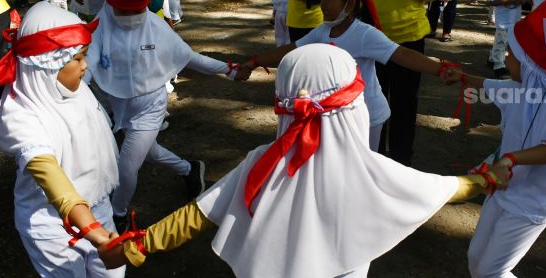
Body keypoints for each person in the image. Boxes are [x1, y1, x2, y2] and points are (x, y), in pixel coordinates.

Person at [97, 43, 506, 277]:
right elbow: (439, 188)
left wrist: (136, 246)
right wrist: (487, 180)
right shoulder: (368, 172)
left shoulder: (261, 163)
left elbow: (196, 216)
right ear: (352, 107)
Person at [83, 0, 245, 232]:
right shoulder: (100, 26)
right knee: (149, 152)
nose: (132, 18)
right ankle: (189, 169)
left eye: (137, 10)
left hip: (150, 106)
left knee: (126, 167)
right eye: (124, 11)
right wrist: (72, 89)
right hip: (119, 106)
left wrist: (230, 70)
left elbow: (191, 57)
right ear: (109, 3)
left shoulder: (156, 26)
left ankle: (118, 213)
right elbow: (87, 63)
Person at [240, 0, 456, 152]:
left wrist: (440, 69)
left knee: (363, 173)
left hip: (367, 117)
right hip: (339, 115)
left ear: (350, 5)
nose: (322, 4)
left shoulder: (364, 34)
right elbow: (292, 49)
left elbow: (402, 55)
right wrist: (255, 61)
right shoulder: (323, 31)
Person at [0, 2, 126, 278]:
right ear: (47, 63)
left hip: (98, 207)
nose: (85, 66)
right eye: (78, 57)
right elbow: (49, 173)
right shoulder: (19, 113)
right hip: (52, 227)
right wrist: (92, 230)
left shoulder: (74, 88)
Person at [446, 0, 546, 278]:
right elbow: (488, 83)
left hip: (532, 202)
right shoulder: (523, 86)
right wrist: (461, 77)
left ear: (530, 62)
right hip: (503, 189)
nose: (505, 57)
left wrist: (510, 159)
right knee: (476, 261)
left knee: (491, 271)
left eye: (511, 54)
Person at [355, 0, 443, 166]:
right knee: (373, 103)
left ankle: (401, 162)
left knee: (405, 105)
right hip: (374, 38)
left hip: (410, 37)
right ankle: (374, 160)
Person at [487, 0, 528, 79]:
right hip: (502, 20)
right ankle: (499, 66)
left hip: (515, 20)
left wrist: (522, 0)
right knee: (501, 41)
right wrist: (502, 2)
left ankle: (492, 58)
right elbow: (491, 1)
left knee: (510, 42)